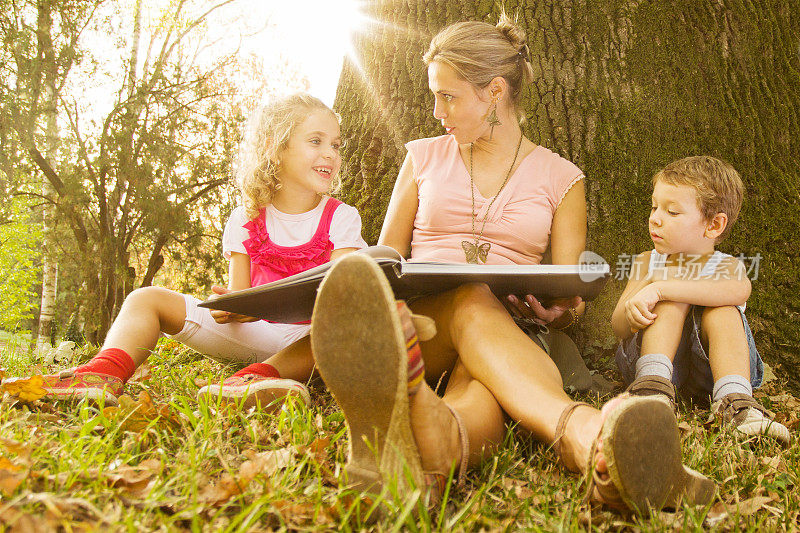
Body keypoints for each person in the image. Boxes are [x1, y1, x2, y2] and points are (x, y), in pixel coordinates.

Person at [309, 16, 715, 513]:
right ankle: (586, 435)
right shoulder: (422, 158)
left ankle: (432, 445)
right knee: (472, 298)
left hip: (514, 331)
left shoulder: (562, 177)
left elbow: (570, 294)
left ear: (494, 92)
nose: (437, 111)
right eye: (434, 95)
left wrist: (561, 312)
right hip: (423, 327)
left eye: (448, 96)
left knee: (483, 384)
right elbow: (383, 262)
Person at [35, 93, 367, 409]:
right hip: (259, 336)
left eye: (335, 145)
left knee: (349, 322)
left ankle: (256, 381)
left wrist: (263, 306)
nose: (330, 154)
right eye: (315, 141)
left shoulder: (341, 217)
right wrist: (233, 309)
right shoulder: (246, 218)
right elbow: (241, 296)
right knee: (145, 298)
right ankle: (101, 374)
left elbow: (336, 300)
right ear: (274, 148)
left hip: (317, 340)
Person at [612, 156, 790, 445]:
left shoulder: (727, 266)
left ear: (713, 225)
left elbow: (739, 291)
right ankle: (651, 393)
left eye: (671, 211)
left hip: (714, 373)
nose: (654, 217)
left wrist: (661, 288)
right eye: (654, 206)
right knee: (670, 297)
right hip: (649, 366)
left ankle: (737, 404)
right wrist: (639, 301)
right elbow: (618, 327)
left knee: (719, 307)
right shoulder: (647, 263)